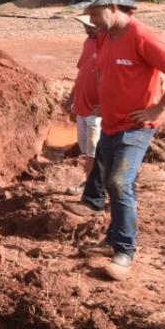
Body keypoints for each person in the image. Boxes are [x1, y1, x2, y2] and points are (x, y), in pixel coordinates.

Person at [67, 0, 165, 280]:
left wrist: (158, 108)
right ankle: (112, 239)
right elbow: (103, 71)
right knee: (111, 181)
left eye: (95, 14)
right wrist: (100, 102)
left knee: (119, 182)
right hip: (111, 123)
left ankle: (124, 250)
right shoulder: (105, 37)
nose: (92, 20)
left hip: (136, 126)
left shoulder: (141, 36)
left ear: (113, 8)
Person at [64, 14, 101, 194]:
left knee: (94, 149)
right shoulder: (88, 43)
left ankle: (92, 186)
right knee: (86, 149)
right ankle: (92, 182)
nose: (87, 29)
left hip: (98, 110)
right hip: (82, 107)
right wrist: (72, 98)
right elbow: (82, 73)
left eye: (92, 25)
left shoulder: (110, 46)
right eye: (86, 25)